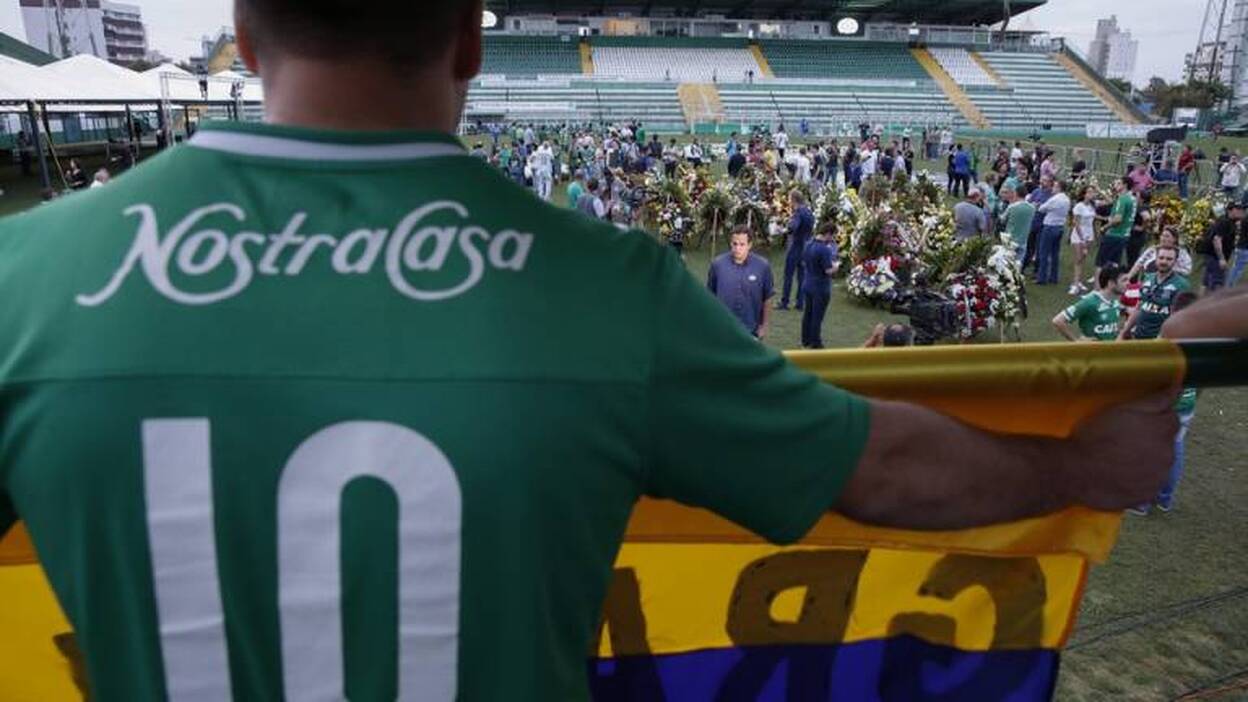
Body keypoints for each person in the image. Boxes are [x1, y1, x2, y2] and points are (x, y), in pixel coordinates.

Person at [0, 8, 1173, 697]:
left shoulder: (26, 283)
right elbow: (884, 470)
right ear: (467, 37)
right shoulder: (607, 291)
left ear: (246, 35)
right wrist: (1073, 467)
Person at [1130, 291, 1202, 516]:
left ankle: (1141, 501)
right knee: (1176, 448)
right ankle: (1165, 499)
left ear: (1172, 311)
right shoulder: (1205, 337)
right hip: (1187, 405)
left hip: (1164, 405)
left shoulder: (1169, 337)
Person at [708, 229, 775, 338]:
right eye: (734, 244)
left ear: (750, 245)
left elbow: (767, 298)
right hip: (722, 329)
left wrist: (764, 326)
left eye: (742, 244)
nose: (737, 248)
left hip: (751, 331)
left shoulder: (762, 266)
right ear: (730, 243)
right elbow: (710, 296)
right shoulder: (717, 265)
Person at [1119, 246, 1191, 340]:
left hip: (1161, 339)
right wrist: (1125, 331)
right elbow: (1140, 307)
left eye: (1169, 259)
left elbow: (1176, 317)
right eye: (1161, 258)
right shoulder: (1148, 278)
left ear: (1175, 261)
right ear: (1156, 258)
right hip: (1138, 335)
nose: (1164, 262)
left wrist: (1160, 339)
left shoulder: (1181, 284)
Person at [1052, 263, 1127, 342]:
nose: (1128, 284)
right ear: (1111, 283)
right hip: (1093, 353)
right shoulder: (1090, 302)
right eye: (1124, 280)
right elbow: (1058, 321)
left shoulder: (1115, 302)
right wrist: (1076, 341)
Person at [800, 224, 839, 349]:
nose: (832, 239)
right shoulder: (824, 249)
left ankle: (805, 340)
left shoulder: (808, 244)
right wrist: (836, 266)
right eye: (832, 235)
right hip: (820, 287)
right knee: (817, 316)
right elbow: (828, 270)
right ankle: (815, 342)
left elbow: (803, 262)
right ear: (828, 233)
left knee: (808, 314)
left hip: (808, 283)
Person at [778, 191, 814, 311]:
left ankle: (785, 302)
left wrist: (785, 230)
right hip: (806, 247)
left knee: (788, 275)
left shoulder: (798, 213)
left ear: (793, 200)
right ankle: (800, 302)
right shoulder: (809, 212)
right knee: (802, 276)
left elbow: (793, 227)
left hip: (795, 246)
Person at [1096, 177, 1135, 280]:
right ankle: (1111, 286)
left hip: (1114, 234)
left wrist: (1105, 227)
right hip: (1124, 235)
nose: (1115, 185)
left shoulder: (1122, 199)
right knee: (1114, 263)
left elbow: (1118, 219)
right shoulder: (1132, 198)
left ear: (1125, 185)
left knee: (1101, 263)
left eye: (1118, 183)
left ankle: (1098, 289)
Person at [1199, 201, 1243, 293]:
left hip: (1210, 256)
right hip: (1214, 257)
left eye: (1241, 209)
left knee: (1206, 283)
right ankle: (1214, 305)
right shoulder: (1225, 222)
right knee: (1217, 284)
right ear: (1230, 210)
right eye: (1238, 209)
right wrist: (1221, 258)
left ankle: (1200, 304)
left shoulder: (1227, 221)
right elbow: (1216, 239)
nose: (1241, 211)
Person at [1035, 179, 1071, 286]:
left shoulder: (1055, 199)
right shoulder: (1067, 199)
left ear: (1059, 188)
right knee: (1055, 253)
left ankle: (1042, 277)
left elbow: (1042, 208)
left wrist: (1038, 205)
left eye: (1055, 186)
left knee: (1044, 252)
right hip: (1059, 227)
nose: (1053, 188)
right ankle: (1053, 276)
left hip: (1050, 226)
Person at [1129, 227, 1194, 280]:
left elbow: (1187, 270)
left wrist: (1168, 269)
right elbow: (1139, 263)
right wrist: (1129, 276)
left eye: (1167, 236)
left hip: (1171, 281)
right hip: (1148, 279)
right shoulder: (1152, 250)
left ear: (1174, 239)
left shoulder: (1182, 253)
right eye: (1162, 236)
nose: (1163, 238)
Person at [1069, 186, 1099, 295]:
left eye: (1093, 192)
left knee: (1083, 259)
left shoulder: (1092, 206)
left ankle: (1079, 281)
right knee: (1078, 259)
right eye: (1089, 192)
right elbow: (1076, 223)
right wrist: (1082, 239)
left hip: (1089, 234)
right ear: (1084, 194)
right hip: (1079, 235)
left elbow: (1109, 201)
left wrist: (1099, 191)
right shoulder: (1079, 206)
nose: (1092, 194)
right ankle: (1075, 284)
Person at [1001, 184, 1036, 261]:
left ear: (1016, 193)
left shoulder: (1012, 207)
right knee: (1018, 263)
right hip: (1023, 239)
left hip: (1010, 239)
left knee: (1007, 262)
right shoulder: (1032, 208)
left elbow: (1002, 220)